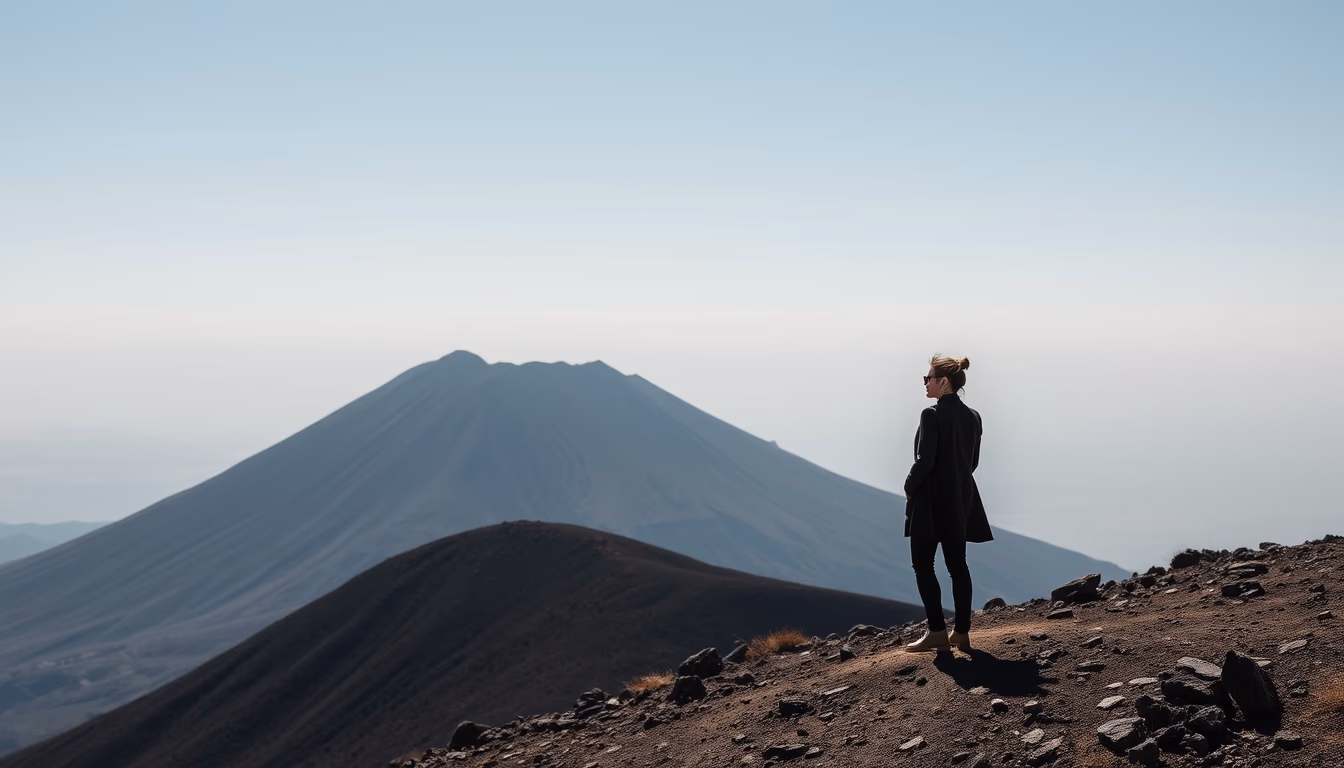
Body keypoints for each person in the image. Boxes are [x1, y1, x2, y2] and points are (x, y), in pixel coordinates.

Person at [902, 354, 992, 652]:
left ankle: (937, 632)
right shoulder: (974, 416)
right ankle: (962, 634)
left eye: (928, 378)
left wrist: (909, 487)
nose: (925, 383)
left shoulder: (931, 414)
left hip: (930, 503)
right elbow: (973, 462)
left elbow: (924, 461)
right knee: (958, 566)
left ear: (943, 381)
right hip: (960, 501)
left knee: (923, 565)